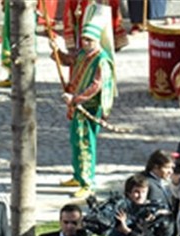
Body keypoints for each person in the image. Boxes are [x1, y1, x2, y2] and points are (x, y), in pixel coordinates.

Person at [59, 9, 117, 198]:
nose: (85, 43)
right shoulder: (84, 54)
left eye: (89, 40)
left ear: (97, 40)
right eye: (84, 39)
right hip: (77, 108)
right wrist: (56, 52)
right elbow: (69, 60)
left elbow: (95, 86)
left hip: (89, 108)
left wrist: (75, 99)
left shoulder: (102, 60)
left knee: (85, 145)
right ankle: (77, 175)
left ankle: (87, 182)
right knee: (75, 142)